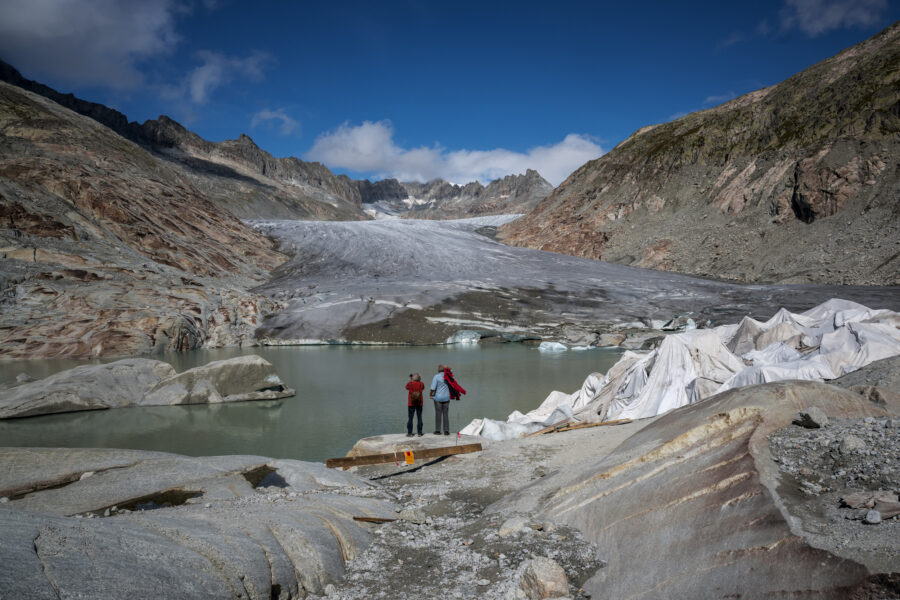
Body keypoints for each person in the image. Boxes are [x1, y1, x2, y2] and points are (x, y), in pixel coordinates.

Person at [430, 364, 451, 435]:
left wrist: (430, 395)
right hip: (446, 397)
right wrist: (447, 367)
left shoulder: (436, 377)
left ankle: (438, 431)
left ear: (438, 370)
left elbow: (433, 388)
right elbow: (451, 370)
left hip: (438, 398)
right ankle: (446, 431)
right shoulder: (448, 376)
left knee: (438, 414)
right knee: (446, 414)